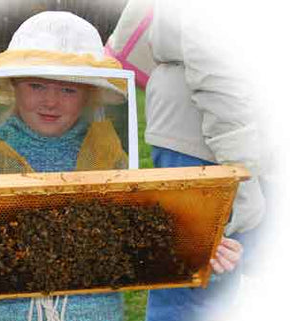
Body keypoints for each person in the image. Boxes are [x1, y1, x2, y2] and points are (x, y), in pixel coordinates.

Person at [0, 10, 243, 321]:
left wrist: (203, 248)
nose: (50, 100)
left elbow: (144, 240)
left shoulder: (106, 151)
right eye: (36, 85)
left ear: (89, 93)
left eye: (67, 89)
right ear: (14, 87)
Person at [106, 1, 265, 320]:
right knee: (195, 287)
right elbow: (216, 56)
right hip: (209, 138)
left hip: (215, 133)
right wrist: (241, 170)